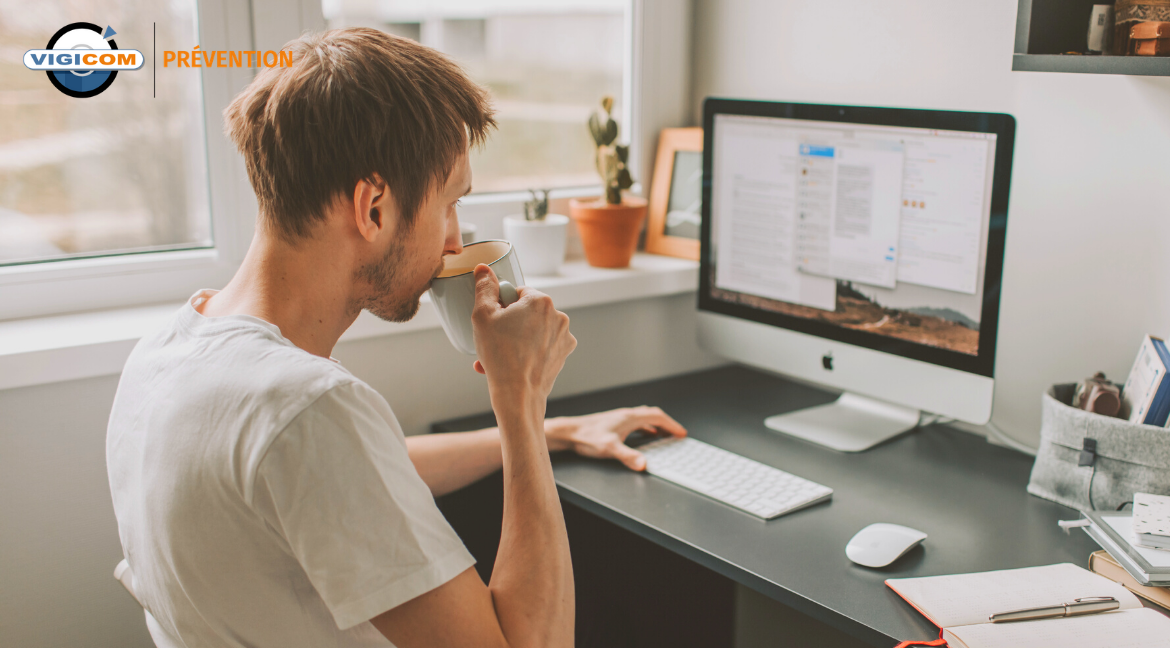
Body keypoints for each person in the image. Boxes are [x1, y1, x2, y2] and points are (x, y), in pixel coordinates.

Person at [105, 28, 687, 648]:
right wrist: (521, 405)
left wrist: (559, 431)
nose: (455, 244)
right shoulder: (310, 409)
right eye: (449, 204)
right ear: (373, 207)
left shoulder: (168, 351)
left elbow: (344, 478)